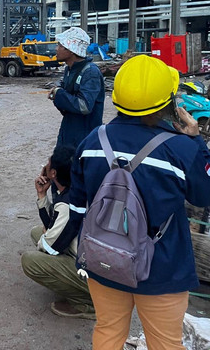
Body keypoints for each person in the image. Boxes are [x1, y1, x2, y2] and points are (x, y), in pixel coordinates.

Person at [66, 55, 210, 349]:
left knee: (107, 331)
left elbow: (78, 205)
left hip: (106, 260)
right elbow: (203, 195)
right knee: (165, 342)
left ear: (116, 97)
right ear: (169, 101)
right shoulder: (182, 149)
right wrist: (196, 140)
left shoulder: (93, 141)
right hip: (162, 267)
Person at [20, 145, 95, 320]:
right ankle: (80, 286)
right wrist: (42, 196)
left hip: (94, 273)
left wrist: (46, 240)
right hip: (95, 259)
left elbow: (49, 246)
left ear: (53, 173)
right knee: (37, 233)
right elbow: (54, 226)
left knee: (30, 260)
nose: (45, 165)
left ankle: (88, 303)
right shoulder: (78, 190)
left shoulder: (68, 203)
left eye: (48, 162)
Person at [48, 27, 105, 149]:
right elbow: (63, 90)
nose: (56, 49)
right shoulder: (69, 69)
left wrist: (59, 94)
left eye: (60, 45)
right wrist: (57, 92)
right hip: (68, 134)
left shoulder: (90, 73)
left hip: (85, 138)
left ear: (71, 49)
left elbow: (84, 106)